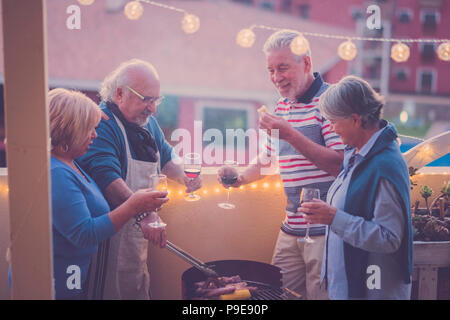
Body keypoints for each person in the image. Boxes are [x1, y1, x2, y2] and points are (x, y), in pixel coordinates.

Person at [218, 30, 344, 300]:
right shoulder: (281, 107)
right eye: (271, 70)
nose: (276, 78)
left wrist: (290, 134)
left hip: (325, 232)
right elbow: (267, 161)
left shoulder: (332, 102)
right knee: (277, 296)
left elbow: (339, 165)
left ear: (306, 64)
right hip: (291, 229)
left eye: (283, 68)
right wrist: (238, 178)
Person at [77, 59, 201, 300]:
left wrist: (185, 177)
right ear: (120, 93)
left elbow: (165, 158)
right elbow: (107, 179)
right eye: (146, 99)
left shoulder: (148, 123)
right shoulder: (102, 123)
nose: (153, 108)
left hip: (139, 237)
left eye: (156, 100)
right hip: (108, 241)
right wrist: (146, 214)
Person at [299, 75, 413, 299]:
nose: (331, 128)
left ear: (355, 120)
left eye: (333, 121)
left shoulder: (384, 165)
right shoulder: (358, 155)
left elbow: (388, 238)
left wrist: (333, 217)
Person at [48, 88, 168, 299]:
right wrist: (134, 205)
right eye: (88, 129)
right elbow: (85, 234)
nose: (95, 134)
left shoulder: (70, 162)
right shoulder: (57, 172)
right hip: (58, 283)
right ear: (70, 130)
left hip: (75, 278)